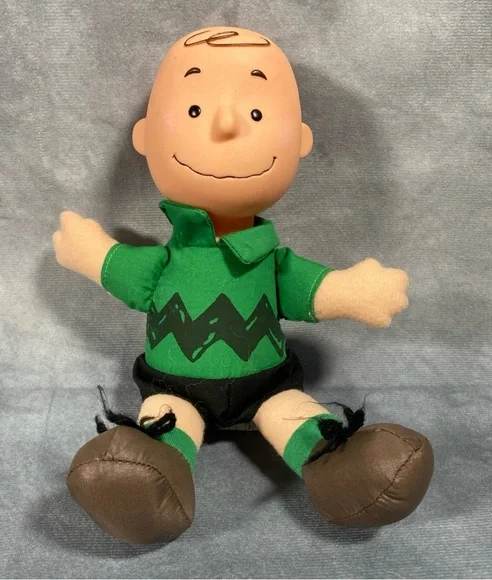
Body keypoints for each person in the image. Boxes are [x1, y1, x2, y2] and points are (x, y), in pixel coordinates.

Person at [52, 27, 434, 544]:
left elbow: (305, 288)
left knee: (294, 415)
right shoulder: (168, 260)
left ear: (299, 141)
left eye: (256, 114)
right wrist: (94, 253)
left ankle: (346, 471)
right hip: (174, 389)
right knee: (165, 425)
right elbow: (125, 271)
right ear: (145, 138)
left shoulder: (269, 261)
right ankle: (144, 481)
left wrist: (350, 291)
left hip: (267, 387)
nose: (227, 124)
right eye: (194, 111)